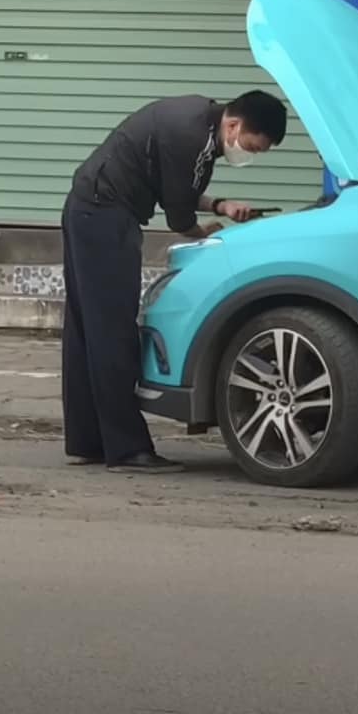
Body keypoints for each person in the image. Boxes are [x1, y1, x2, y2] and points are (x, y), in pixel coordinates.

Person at [61, 90, 287, 474]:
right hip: (105, 216)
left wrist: (221, 206)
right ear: (234, 125)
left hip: (87, 208)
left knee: (88, 330)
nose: (249, 155)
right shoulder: (193, 137)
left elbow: (176, 184)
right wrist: (205, 233)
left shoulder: (198, 120)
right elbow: (179, 215)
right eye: (252, 146)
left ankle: (89, 441)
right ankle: (127, 450)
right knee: (113, 333)